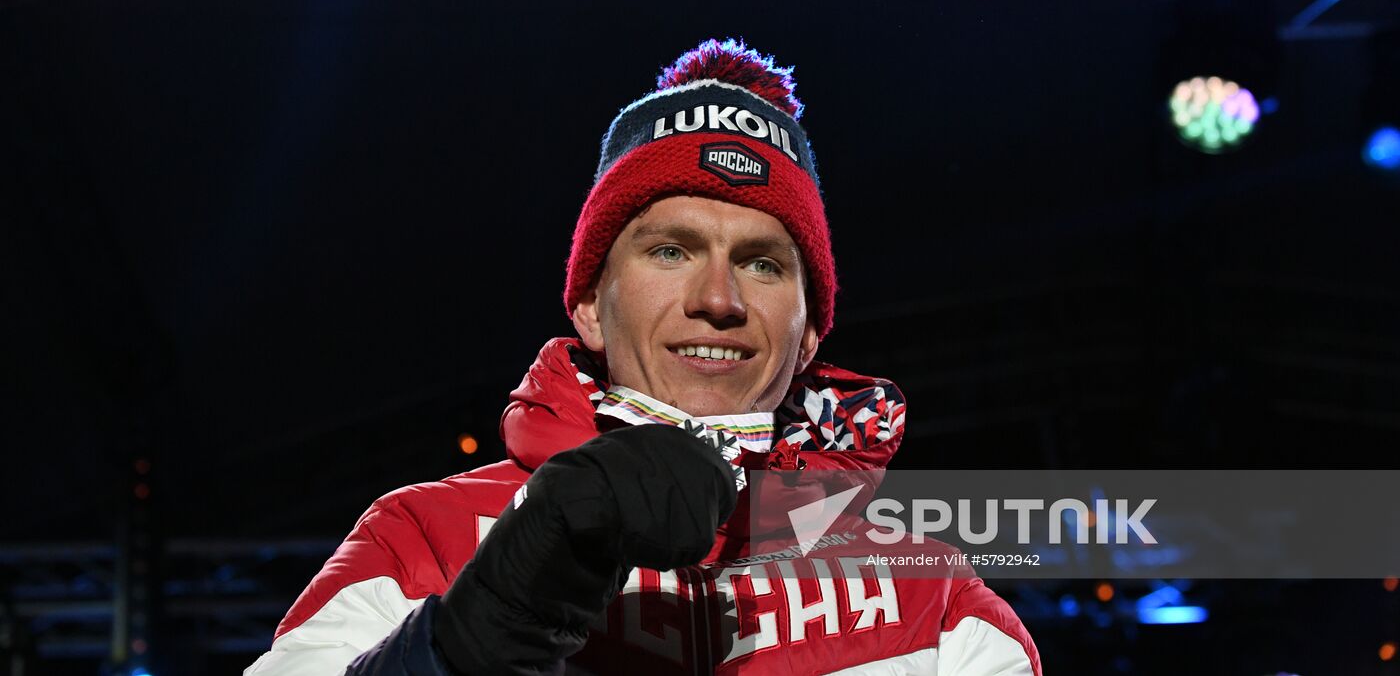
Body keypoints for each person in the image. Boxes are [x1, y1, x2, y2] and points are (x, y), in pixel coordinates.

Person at [245, 39, 1041, 675]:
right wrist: (460, 646)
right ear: (591, 303)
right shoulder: (423, 533)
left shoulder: (927, 592)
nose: (720, 298)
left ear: (809, 336)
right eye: (670, 249)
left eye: (764, 262)